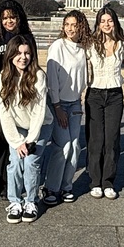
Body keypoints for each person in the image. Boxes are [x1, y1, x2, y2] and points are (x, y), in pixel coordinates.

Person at [0, 0, 37, 202]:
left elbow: (32, 67)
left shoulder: (27, 38)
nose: (9, 21)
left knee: (14, 143)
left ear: (19, 17)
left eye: (12, 17)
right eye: (4, 18)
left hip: (20, 101)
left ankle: (9, 185)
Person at [0, 37, 52, 223]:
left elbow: (39, 112)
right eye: (18, 53)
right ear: (10, 55)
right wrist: (17, 142)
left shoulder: (39, 76)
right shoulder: (1, 78)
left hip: (41, 126)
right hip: (17, 127)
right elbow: (5, 114)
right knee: (15, 161)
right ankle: (14, 201)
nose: (23, 57)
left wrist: (30, 140)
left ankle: (31, 201)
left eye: (27, 53)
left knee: (30, 162)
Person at [44, 10, 91, 205]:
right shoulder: (58, 46)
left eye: (75, 25)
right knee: (62, 146)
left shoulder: (84, 49)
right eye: (67, 24)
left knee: (75, 147)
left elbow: (84, 77)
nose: (71, 29)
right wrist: (57, 106)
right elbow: (52, 79)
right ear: (63, 26)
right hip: (58, 103)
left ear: (81, 26)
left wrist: (80, 99)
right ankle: (51, 187)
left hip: (74, 103)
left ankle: (66, 186)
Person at [85, 5, 124, 199]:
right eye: (103, 21)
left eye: (109, 20)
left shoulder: (123, 44)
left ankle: (108, 181)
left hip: (114, 95)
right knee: (96, 139)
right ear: (98, 23)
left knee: (111, 140)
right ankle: (95, 180)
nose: (106, 24)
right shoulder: (90, 43)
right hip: (94, 94)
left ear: (115, 22)